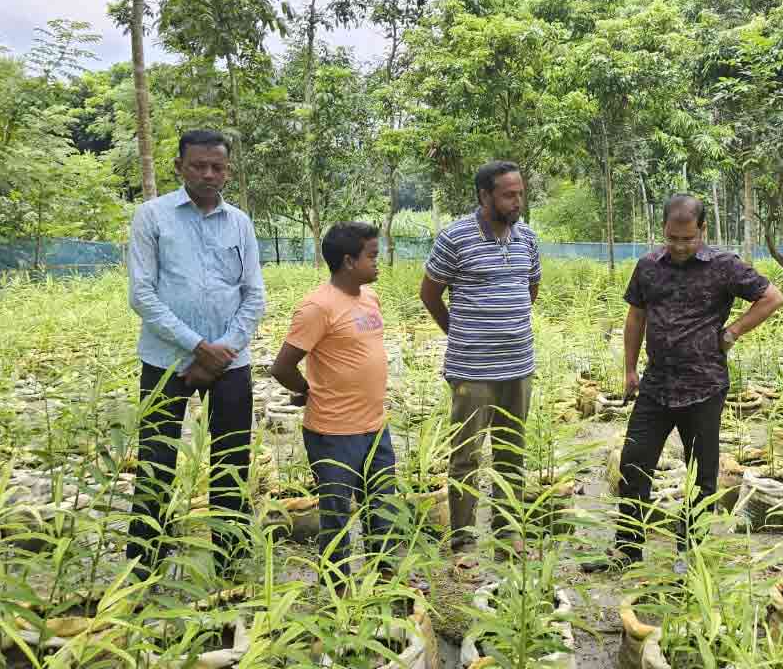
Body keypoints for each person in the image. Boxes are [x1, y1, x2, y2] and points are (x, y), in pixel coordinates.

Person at [583, 195, 783, 573]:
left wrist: (734, 331)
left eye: (687, 239)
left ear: (702, 231)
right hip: (656, 385)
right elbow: (635, 318)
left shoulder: (724, 266)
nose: (678, 247)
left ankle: (688, 553)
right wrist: (630, 369)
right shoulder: (648, 266)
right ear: (663, 230)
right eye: (672, 238)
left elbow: (772, 297)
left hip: (704, 385)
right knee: (633, 466)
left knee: (701, 475)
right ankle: (627, 551)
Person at [126, 129, 266, 582]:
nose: (209, 174)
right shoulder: (152, 216)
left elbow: (254, 296)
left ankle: (229, 557)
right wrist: (197, 346)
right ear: (179, 167)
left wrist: (223, 350)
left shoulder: (240, 222)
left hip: (230, 363)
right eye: (198, 165)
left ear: (228, 169)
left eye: (217, 166)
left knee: (231, 458)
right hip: (167, 361)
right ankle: (144, 560)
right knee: (156, 459)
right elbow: (142, 295)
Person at [419, 160, 541, 574]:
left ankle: (509, 532)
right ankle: (463, 538)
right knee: (466, 456)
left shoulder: (527, 238)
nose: (517, 201)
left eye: (520, 193)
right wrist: (460, 332)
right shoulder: (455, 237)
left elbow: (530, 290)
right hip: (471, 370)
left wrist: (508, 326)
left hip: (518, 367)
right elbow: (430, 293)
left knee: (511, 452)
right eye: (509, 194)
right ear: (484, 195)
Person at [270, 222, 396, 592]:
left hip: (375, 425)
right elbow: (281, 366)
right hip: (334, 432)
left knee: (382, 506)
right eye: (372, 256)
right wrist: (307, 392)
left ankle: (384, 576)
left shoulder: (369, 299)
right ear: (347, 261)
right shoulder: (317, 307)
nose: (378, 263)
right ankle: (337, 586)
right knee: (337, 512)